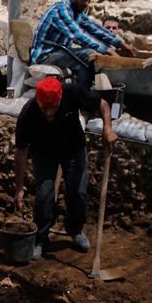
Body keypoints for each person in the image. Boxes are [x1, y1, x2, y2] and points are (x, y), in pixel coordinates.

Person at [13, 76, 117, 260]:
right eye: (45, 108)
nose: (49, 113)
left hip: (73, 149)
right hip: (44, 153)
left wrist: (107, 128)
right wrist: (19, 188)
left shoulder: (72, 92)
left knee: (77, 192)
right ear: (38, 100)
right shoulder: (28, 114)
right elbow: (21, 153)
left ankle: (75, 229)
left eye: (54, 107)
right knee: (44, 195)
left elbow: (103, 104)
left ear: (60, 97)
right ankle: (41, 237)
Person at [30, 0, 135, 89]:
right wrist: (108, 50)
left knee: (94, 54)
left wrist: (120, 44)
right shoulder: (61, 11)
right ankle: (84, 95)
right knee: (89, 54)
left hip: (61, 52)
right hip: (46, 56)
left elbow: (95, 28)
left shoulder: (76, 11)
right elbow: (79, 35)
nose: (86, 3)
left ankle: (85, 90)